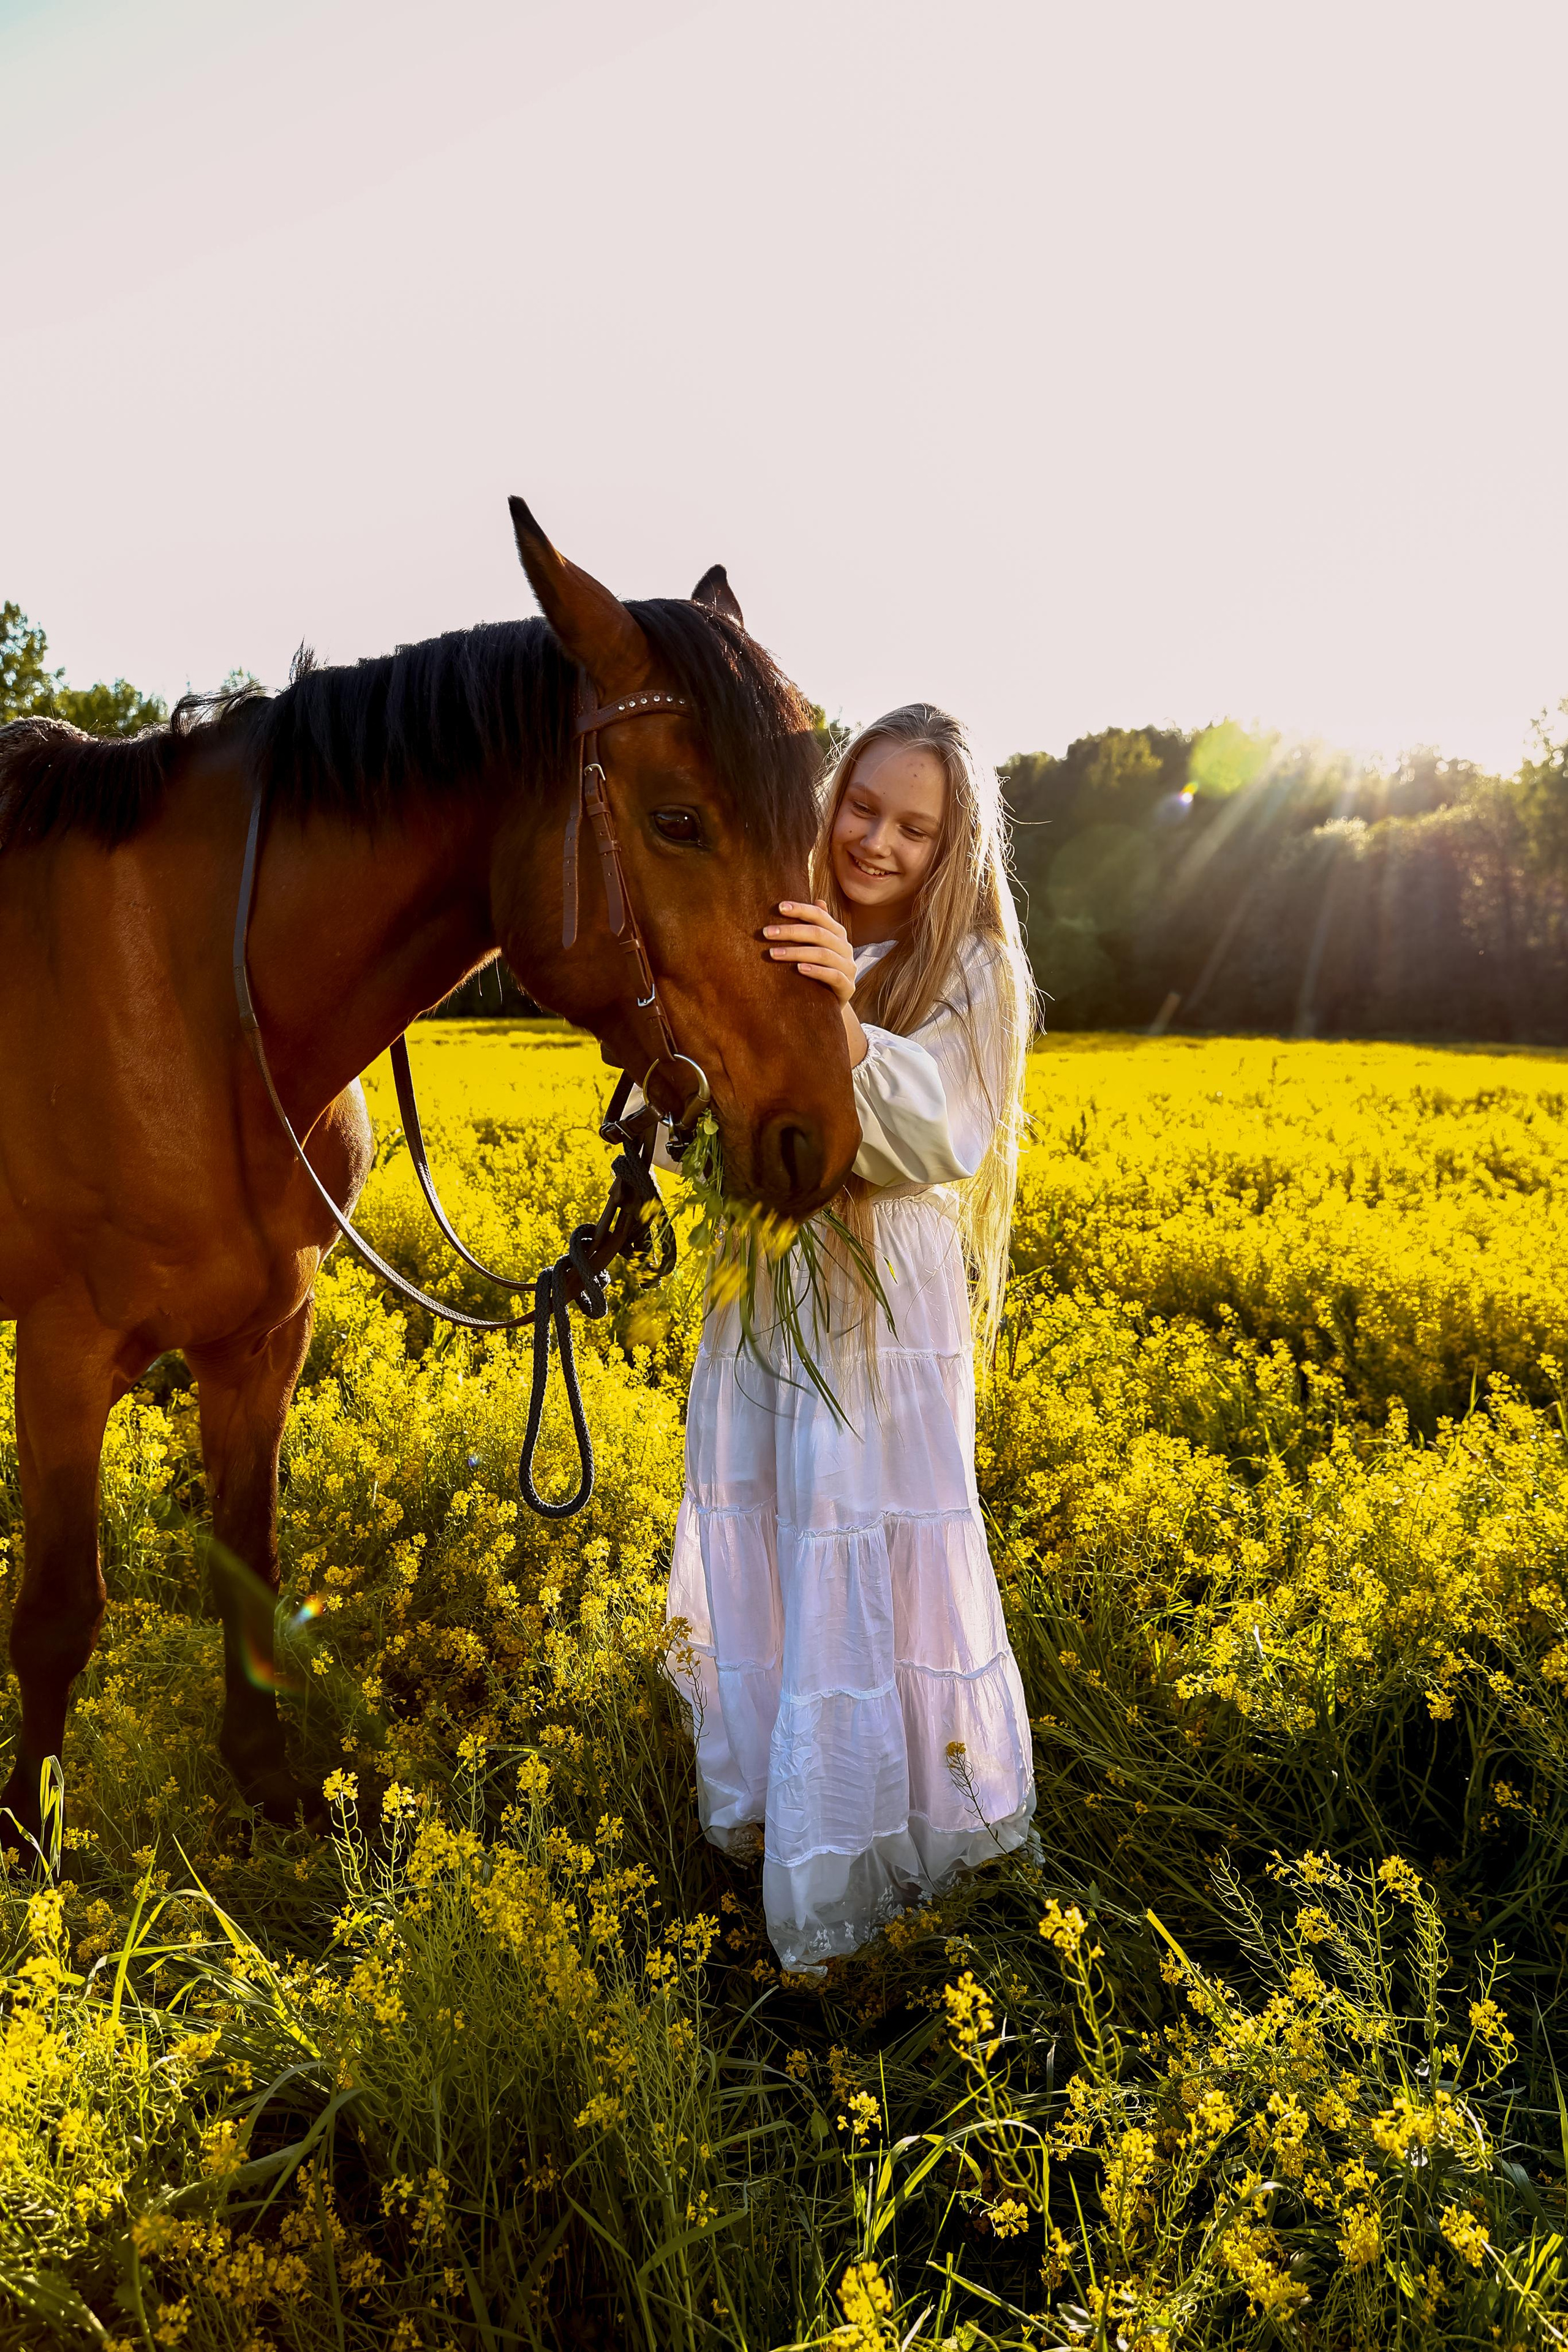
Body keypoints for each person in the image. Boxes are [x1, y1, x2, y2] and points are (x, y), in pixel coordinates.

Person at [666, 704, 1038, 1973]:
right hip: (766, 1287)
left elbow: (938, 1133)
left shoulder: (972, 969)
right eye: (863, 807)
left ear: (951, 847)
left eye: (914, 828)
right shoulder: (775, 920)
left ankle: (877, 1866)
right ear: (830, 801)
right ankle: (774, 1819)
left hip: (883, 1306)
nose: (878, 840)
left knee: (864, 1543)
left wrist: (833, 1006)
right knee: (772, 1528)